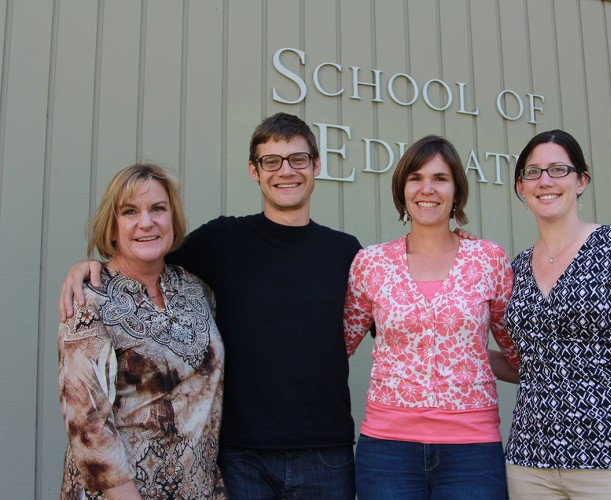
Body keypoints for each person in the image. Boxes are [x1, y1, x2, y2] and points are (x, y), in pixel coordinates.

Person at [58, 113, 360, 499]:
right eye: (271, 161)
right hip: (241, 458)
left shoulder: (347, 252)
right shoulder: (223, 240)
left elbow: (399, 315)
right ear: (254, 170)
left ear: (316, 165)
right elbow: (144, 254)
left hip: (323, 454)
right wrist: (92, 267)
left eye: (298, 159)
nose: (286, 171)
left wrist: (456, 247)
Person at [343, 135, 520, 499]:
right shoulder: (371, 263)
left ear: (457, 191)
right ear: (402, 191)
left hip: (471, 449)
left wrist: (465, 353)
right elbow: (338, 346)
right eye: (416, 178)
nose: (428, 189)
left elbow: (518, 356)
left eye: (440, 178)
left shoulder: (488, 259)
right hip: (388, 450)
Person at [503, 129, 611, 499]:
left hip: (610, 458)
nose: (545, 181)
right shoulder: (516, 269)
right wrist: (453, 350)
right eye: (533, 172)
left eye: (558, 170)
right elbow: (528, 365)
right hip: (528, 461)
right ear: (521, 187)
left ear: (581, 182)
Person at [58, 164, 226, 499]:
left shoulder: (195, 287)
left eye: (158, 209)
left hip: (198, 488)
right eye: (130, 211)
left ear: (173, 220)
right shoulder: (89, 296)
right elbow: (87, 425)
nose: (146, 222)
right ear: (113, 226)